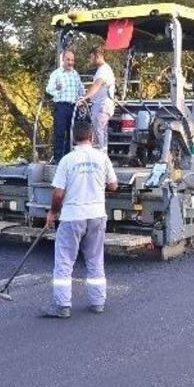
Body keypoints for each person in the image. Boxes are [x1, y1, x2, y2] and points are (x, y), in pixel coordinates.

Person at [43, 122, 118, 318]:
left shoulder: (67, 161)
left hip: (72, 217)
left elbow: (58, 193)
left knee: (64, 262)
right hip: (96, 215)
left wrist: (52, 213)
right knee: (95, 259)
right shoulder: (102, 158)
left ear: (74, 138)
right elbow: (113, 185)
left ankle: (62, 305)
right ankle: (98, 302)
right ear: (92, 138)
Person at [46, 50, 85, 161]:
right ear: (63, 60)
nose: (70, 62)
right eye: (68, 59)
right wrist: (57, 89)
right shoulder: (56, 74)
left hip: (74, 107)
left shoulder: (75, 74)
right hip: (61, 106)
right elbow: (49, 89)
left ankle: (69, 158)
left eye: (72, 60)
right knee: (59, 133)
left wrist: (83, 98)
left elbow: (80, 89)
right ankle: (58, 159)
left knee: (72, 134)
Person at [77, 46, 116, 152]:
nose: (90, 60)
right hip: (98, 104)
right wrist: (87, 101)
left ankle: (101, 156)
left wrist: (84, 98)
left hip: (102, 105)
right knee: (97, 130)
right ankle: (99, 154)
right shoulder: (101, 70)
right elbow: (96, 92)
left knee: (99, 130)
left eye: (91, 57)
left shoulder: (103, 70)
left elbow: (96, 85)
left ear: (97, 56)